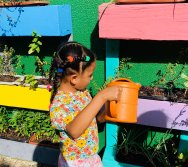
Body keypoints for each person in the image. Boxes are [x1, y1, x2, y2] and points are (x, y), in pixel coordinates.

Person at [48, 41, 122, 167]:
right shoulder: (59, 104)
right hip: (75, 163)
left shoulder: (82, 93)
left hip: (91, 158)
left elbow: (94, 119)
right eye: (90, 75)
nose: (92, 78)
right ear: (74, 78)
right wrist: (101, 96)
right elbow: (74, 131)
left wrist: (108, 110)